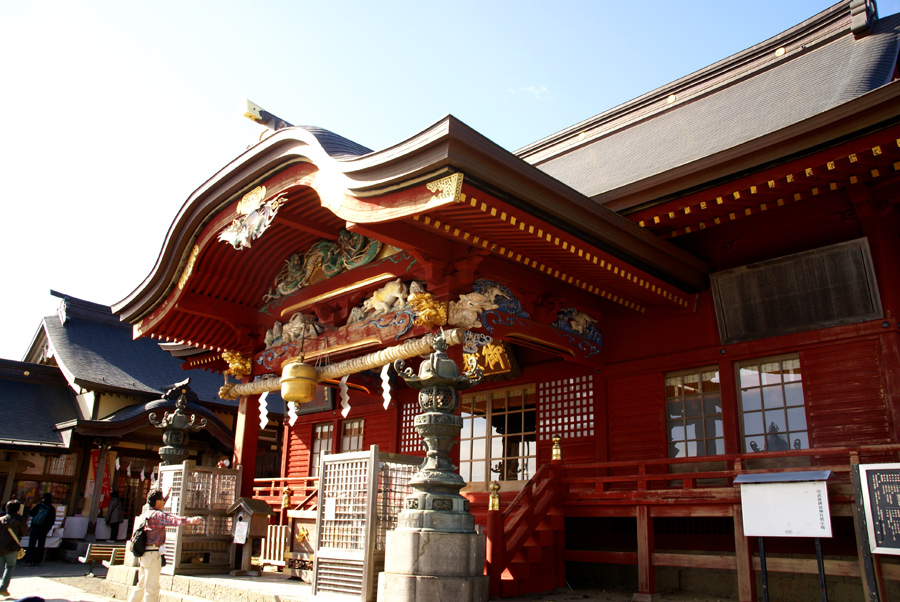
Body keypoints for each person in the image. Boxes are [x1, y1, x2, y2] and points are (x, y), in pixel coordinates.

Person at [127, 490, 201, 602]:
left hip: (144, 554)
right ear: (157, 502)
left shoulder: (146, 513)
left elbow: (159, 507)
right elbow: (172, 519)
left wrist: (166, 496)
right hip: (152, 553)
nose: (163, 502)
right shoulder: (157, 515)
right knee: (152, 587)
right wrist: (190, 520)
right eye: (162, 500)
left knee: (141, 584)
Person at [0, 499, 29, 598]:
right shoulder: (20, 520)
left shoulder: (1, 519)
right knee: (10, 567)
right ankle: (3, 588)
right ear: (18, 509)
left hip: (0, 547)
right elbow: (24, 533)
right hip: (12, 548)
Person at [25, 493, 55, 566]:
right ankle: (37, 561)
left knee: (31, 544)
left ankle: (29, 561)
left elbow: (32, 513)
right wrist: (48, 528)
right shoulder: (52, 508)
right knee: (41, 545)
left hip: (35, 527)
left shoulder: (39, 506)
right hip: (44, 529)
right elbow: (52, 520)